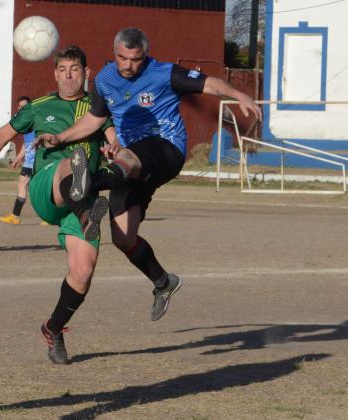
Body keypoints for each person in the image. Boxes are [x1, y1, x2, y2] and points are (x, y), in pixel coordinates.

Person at [37, 28, 262, 322]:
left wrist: (238, 94)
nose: (129, 65)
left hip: (166, 149)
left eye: (135, 59)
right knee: (123, 237)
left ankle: (89, 185)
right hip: (131, 168)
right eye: (123, 58)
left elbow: (210, 84)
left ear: (145, 55)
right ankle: (163, 281)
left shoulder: (165, 73)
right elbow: (95, 118)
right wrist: (62, 138)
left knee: (127, 157)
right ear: (114, 52)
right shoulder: (105, 80)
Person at [0, 45, 113, 364]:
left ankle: (53, 328)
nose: (68, 75)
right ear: (55, 73)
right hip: (48, 186)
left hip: (82, 197)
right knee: (73, 161)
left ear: (86, 73)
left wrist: (117, 151)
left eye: (74, 69)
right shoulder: (39, 107)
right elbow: (2, 135)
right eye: (62, 69)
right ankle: (86, 209)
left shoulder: (99, 109)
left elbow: (116, 140)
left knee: (83, 271)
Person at [0, 95, 34, 225]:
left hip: (33, 160)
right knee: (29, 185)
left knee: (24, 185)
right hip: (30, 159)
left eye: (26, 106)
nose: (23, 108)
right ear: (18, 107)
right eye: (21, 106)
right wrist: (18, 157)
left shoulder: (33, 119)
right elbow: (26, 143)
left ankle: (15, 216)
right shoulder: (25, 122)